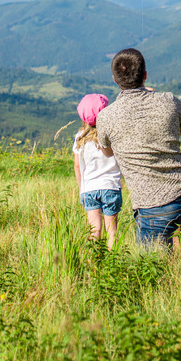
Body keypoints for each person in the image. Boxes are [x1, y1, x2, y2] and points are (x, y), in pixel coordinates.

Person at [96, 48, 181, 250]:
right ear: (144, 75)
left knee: (150, 269)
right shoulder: (168, 100)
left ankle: (176, 272)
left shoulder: (106, 117)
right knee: (172, 223)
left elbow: (108, 152)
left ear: (115, 79)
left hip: (153, 207)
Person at [73, 92, 122, 249]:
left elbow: (77, 166)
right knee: (112, 230)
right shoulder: (112, 135)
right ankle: (112, 262)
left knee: (94, 230)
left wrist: (82, 188)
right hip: (110, 186)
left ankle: (93, 261)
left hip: (89, 189)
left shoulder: (80, 137)